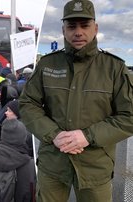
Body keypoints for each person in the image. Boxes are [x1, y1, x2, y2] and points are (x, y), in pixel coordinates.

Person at [19, 0, 133, 201]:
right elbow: (28, 104)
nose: (78, 32)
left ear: (95, 28)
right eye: (72, 26)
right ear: (63, 30)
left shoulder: (114, 68)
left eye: (84, 25)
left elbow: (129, 116)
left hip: (95, 166)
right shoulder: (47, 65)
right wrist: (53, 134)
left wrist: (88, 136)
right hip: (52, 163)